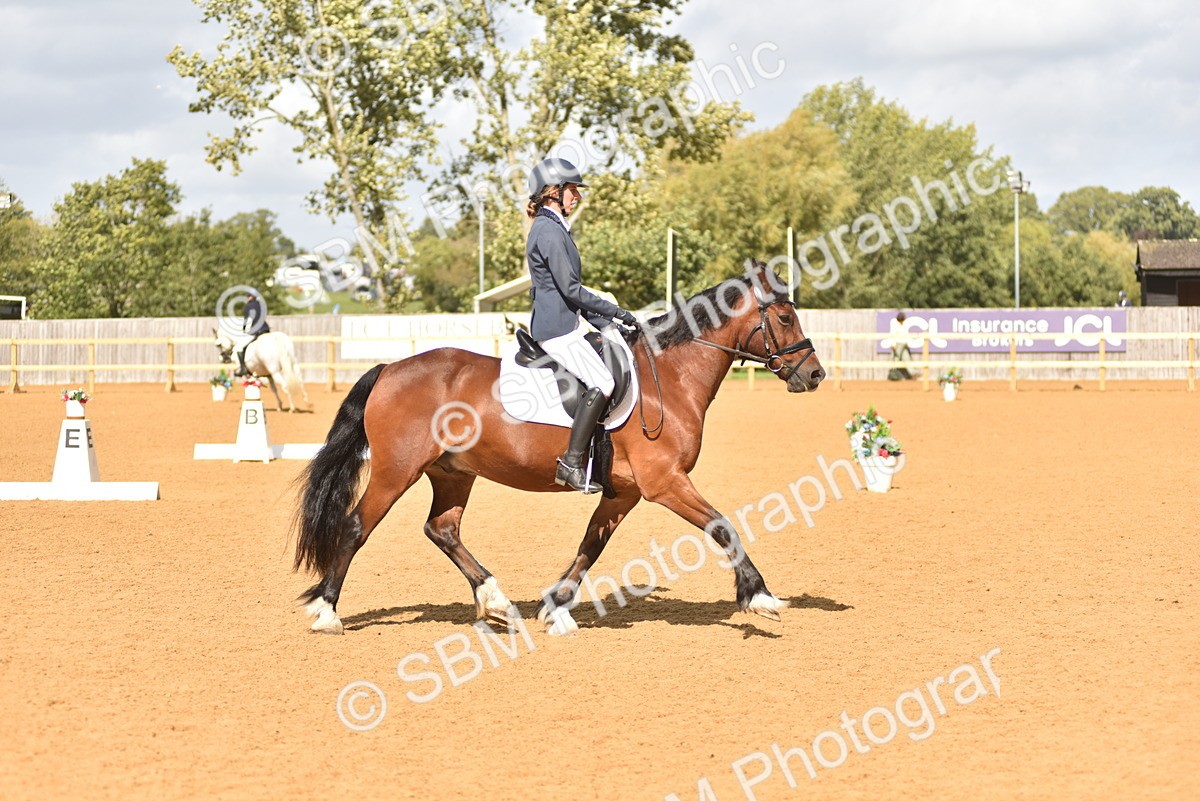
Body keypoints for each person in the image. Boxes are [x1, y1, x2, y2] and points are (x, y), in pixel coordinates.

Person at [525, 157, 638, 493]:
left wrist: (606, 322)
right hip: (556, 330)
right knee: (602, 382)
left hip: (568, 323)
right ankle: (571, 463)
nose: (578, 197)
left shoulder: (556, 228)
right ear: (552, 192)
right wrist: (617, 311)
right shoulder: (547, 231)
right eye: (573, 190)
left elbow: (570, 293)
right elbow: (571, 289)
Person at [235, 291, 270, 377]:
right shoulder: (261, 304)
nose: (248, 297)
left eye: (249, 296)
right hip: (266, 329)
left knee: (241, 349)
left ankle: (243, 369)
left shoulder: (248, 306)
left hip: (257, 331)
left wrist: (244, 329)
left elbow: (246, 319)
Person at [888, 311, 915, 381]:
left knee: (907, 359)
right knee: (896, 359)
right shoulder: (894, 323)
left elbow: (906, 334)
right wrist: (893, 343)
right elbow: (892, 333)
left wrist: (908, 343)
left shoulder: (905, 323)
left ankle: (913, 374)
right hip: (897, 344)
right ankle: (892, 375)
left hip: (904, 344)